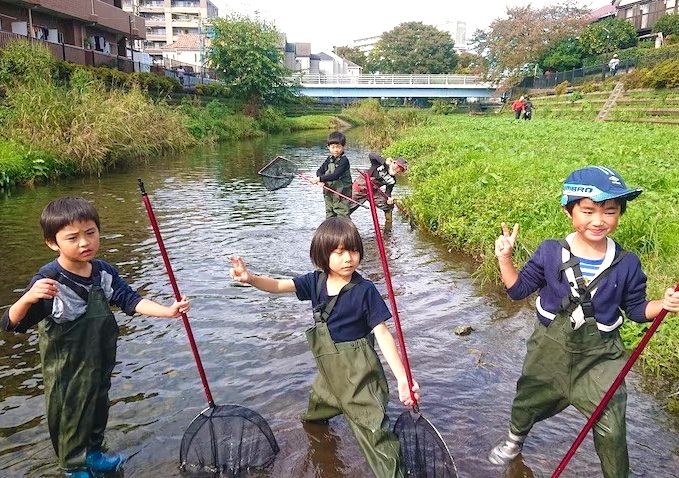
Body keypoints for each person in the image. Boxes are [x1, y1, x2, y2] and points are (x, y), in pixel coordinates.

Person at [488, 166, 679, 477]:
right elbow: (517, 291)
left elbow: (635, 309)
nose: (598, 221)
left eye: (610, 211)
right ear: (569, 212)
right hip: (549, 348)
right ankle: (514, 440)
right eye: (588, 211)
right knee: (528, 396)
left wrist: (663, 305)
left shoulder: (626, 262)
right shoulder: (551, 251)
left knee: (612, 422)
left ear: (619, 214)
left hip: (601, 356)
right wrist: (505, 257)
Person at [2, 197, 190, 478]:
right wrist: (28, 298)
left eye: (90, 233)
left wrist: (167, 311)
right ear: (53, 243)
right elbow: (12, 322)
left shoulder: (103, 271)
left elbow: (129, 299)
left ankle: (94, 452)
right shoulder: (50, 279)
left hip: (98, 359)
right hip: (66, 365)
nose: (84, 243)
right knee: (71, 413)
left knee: (97, 405)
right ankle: (73, 466)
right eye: (72, 237)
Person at [229, 217, 420, 478]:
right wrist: (250, 278)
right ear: (322, 254)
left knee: (375, 431)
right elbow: (278, 285)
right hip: (328, 374)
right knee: (313, 417)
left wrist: (401, 378)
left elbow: (383, 334)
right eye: (339, 252)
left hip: (359, 374)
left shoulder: (365, 291)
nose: (348, 259)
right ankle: (319, 438)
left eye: (353, 251)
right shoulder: (315, 282)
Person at [349, 153, 408, 224]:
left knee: (388, 206)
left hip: (373, 192)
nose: (398, 169)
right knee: (347, 209)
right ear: (394, 163)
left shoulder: (392, 181)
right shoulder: (380, 164)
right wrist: (384, 161)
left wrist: (389, 198)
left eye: (401, 169)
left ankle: (388, 226)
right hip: (359, 189)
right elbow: (371, 155)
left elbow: (388, 192)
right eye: (398, 166)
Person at [310, 131, 352, 218]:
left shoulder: (344, 160)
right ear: (328, 147)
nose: (336, 150)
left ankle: (345, 230)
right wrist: (320, 180)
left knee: (341, 213)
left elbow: (335, 175)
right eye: (333, 147)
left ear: (343, 147)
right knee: (330, 213)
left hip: (342, 192)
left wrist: (319, 179)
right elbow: (319, 171)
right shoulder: (329, 159)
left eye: (338, 147)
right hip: (329, 190)